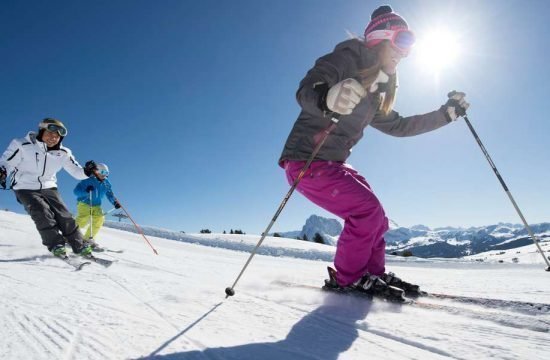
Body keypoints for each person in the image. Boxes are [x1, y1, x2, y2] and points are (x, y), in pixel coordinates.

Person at [278, 5, 469, 296]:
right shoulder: (347, 57)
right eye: (403, 41)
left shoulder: (375, 90)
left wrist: (445, 114)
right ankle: (346, 278)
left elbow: (399, 126)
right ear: (381, 36)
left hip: (334, 163)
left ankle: (372, 273)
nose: (406, 52)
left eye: (411, 46)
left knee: (378, 217)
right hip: (307, 161)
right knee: (366, 211)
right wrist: (326, 98)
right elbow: (307, 89)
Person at [0, 118, 99, 257]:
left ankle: (79, 246)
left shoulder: (63, 153)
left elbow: (76, 172)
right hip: (24, 186)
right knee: (42, 211)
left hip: (49, 186)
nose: (53, 138)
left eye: (57, 136)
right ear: (41, 131)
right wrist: (2, 171)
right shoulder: (22, 145)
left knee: (64, 215)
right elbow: (6, 162)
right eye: (50, 134)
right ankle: (56, 245)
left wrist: (87, 171)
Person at [73, 162, 120, 250]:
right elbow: (76, 191)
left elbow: (109, 194)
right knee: (84, 218)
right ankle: (71, 235)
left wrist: (115, 202)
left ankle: (87, 239)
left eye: (107, 174)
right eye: (103, 173)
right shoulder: (86, 180)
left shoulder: (106, 183)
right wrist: (86, 191)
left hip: (96, 205)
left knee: (99, 219)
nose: (104, 176)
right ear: (96, 171)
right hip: (84, 202)